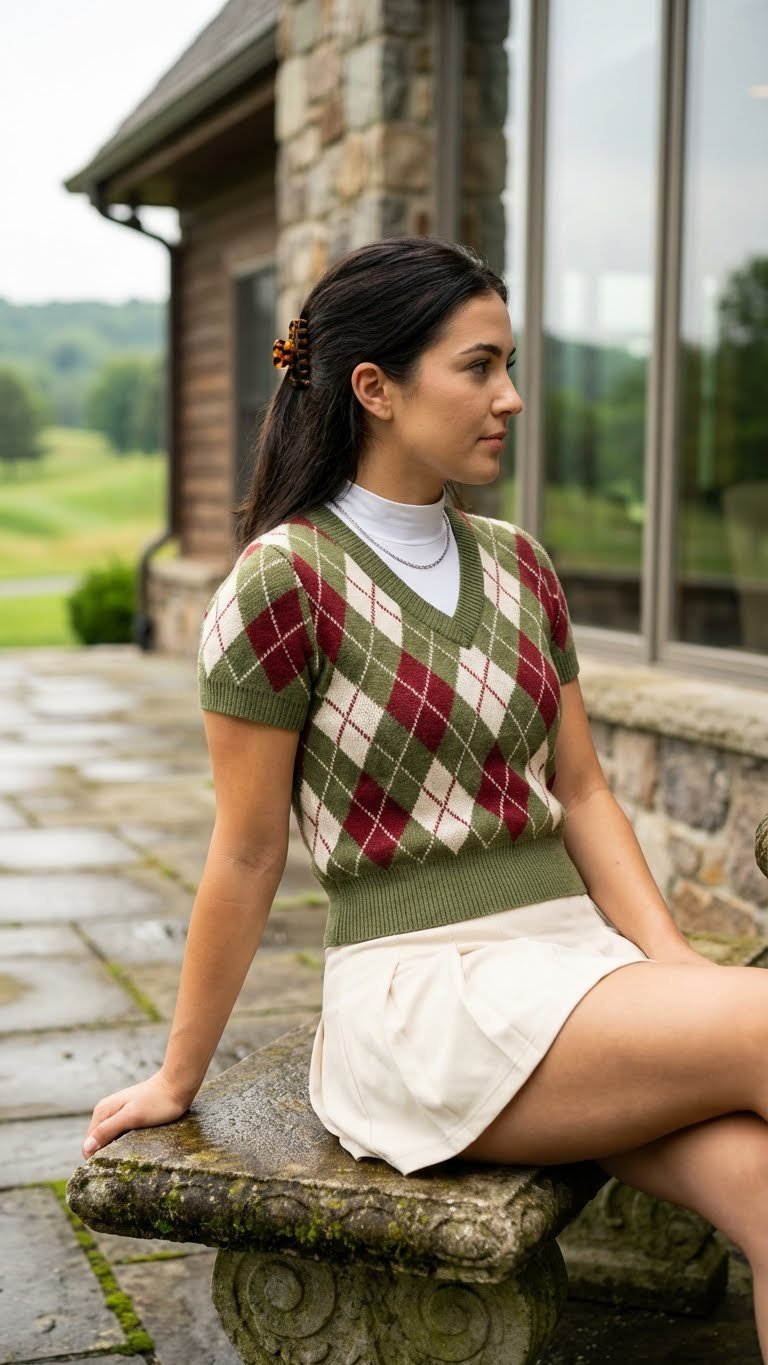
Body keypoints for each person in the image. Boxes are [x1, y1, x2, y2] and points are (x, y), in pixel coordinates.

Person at [82, 236, 768, 1358]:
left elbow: (584, 795)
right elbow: (247, 854)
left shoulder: (520, 564)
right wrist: (177, 1075)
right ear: (376, 390)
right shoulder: (282, 583)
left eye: (508, 367)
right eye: (480, 366)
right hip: (423, 1004)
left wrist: (671, 971)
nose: (510, 398)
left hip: (573, 973)